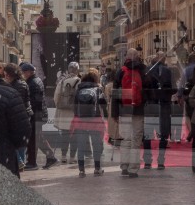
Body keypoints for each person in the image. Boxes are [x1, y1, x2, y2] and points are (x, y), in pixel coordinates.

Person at [115, 48, 150, 178]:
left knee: (126, 139)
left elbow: (115, 93)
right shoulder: (142, 70)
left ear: (127, 57)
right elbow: (149, 86)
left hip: (124, 110)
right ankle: (133, 168)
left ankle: (124, 166)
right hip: (138, 109)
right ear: (137, 57)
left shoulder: (121, 71)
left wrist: (114, 113)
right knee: (136, 139)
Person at [69, 69, 107, 177]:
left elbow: (74, 106)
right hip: (95, 120)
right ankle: (97, 168)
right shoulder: (98, 89)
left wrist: (77, 117)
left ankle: (81, 170)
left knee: (81, 145)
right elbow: (103, 105)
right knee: (96, 145)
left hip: (80, 121)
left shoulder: (78, 89)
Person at [20, 62, 53, 171]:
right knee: (38, 138)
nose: (23, 74)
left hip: (37, 114)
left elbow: (35, 101)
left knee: (34, 139)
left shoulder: (33, 83)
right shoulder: (35, 80)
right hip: (39, 113)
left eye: (24, 72)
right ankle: (51, 157)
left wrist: (30, 112)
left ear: (29, 72)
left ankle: (33, 162)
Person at [146, 52, 174, 170]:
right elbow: (170, 88)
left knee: (147, 133)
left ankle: (147, 160)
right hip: (163, 104)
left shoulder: (148, 70)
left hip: (150, 103)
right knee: (163, 133)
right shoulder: (167, 71)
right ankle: (161, 160)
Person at [2, 63, 32, 172]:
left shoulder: (14, 86)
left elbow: (14, 103)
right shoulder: (23, 84)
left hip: (18, 115)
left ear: (9, 75)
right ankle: (21, 162)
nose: (5, 77)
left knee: (14, 140)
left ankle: (19, 162)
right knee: (21, 141)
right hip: (25, 115)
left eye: (6, 75)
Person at [54, 62, 81, 163]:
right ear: (77, 70)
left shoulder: (62, 81)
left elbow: (56, 97)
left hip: (63, 113)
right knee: (74, 136)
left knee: (64, 136)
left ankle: (63, 156)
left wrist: (59, 106)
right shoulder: (79, 81)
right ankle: (72, 157)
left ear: (69, 69)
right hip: (75, 113)